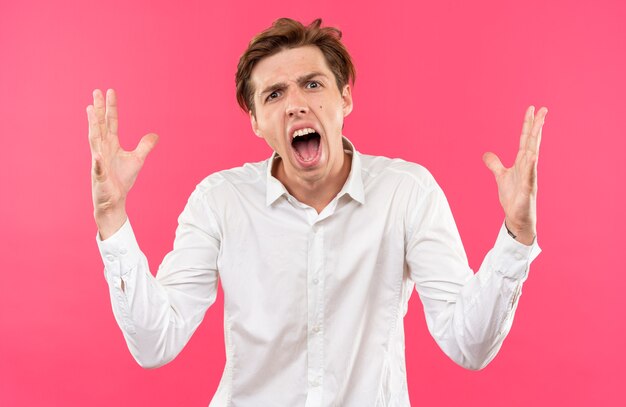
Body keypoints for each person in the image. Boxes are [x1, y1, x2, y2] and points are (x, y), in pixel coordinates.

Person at [87, 18, 547, 407]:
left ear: (344, 98)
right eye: (273, 95)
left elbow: (468, 344)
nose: (296, 105)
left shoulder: (407, 193)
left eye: (312, 84)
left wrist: (516, 234)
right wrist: (112, 218)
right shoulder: (219, 200)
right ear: (255, 121)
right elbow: (155, 342)